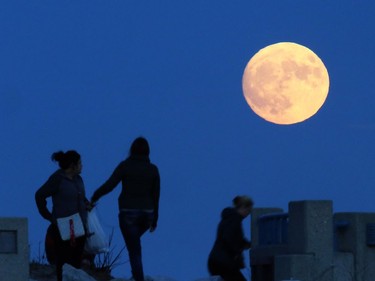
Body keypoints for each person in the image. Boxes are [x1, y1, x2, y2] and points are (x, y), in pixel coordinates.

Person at [91, 137, 160, 281]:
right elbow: (156, 196)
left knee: (134, 248)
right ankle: (136, 275)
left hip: (128, 213)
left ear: (132, 150)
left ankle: (138, 278)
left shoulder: (125, 166)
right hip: (147, 215)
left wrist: (95, 196)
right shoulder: (153, 169)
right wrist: (155, 220)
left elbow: (110, 185)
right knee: (134, 244)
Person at [35, 150, 89, 281]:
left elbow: (80, 197)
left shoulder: (78, 179)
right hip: (62, 227)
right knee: (64, 263)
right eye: (80, 163)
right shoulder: (58, 179)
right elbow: (40, 195)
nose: (82, 166)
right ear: (72, 165)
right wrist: (48, 215)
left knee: (76, 263)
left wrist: (87, 204)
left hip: (79, 227)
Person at [208, 195, 254, 281]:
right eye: (248, 210)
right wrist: (238, 250)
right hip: (224, 262)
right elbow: (230, 238)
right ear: (243, 207)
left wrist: (245, 244)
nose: (248, 214)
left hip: (216, 261)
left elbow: (233, 237)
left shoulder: (229, 218)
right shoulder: (234, 219)